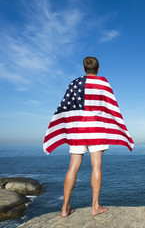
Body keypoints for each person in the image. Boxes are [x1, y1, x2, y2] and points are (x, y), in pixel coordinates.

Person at [43, 56, 134, 217]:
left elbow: (64, 107)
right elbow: (111, 107)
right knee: (96, 166)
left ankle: (64, 208)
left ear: (84, 69)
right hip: (96, 130)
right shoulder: (103, 83)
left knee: (73, 167)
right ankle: (95, 207)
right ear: (98, 69)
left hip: (77, 130)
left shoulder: (74, 84)